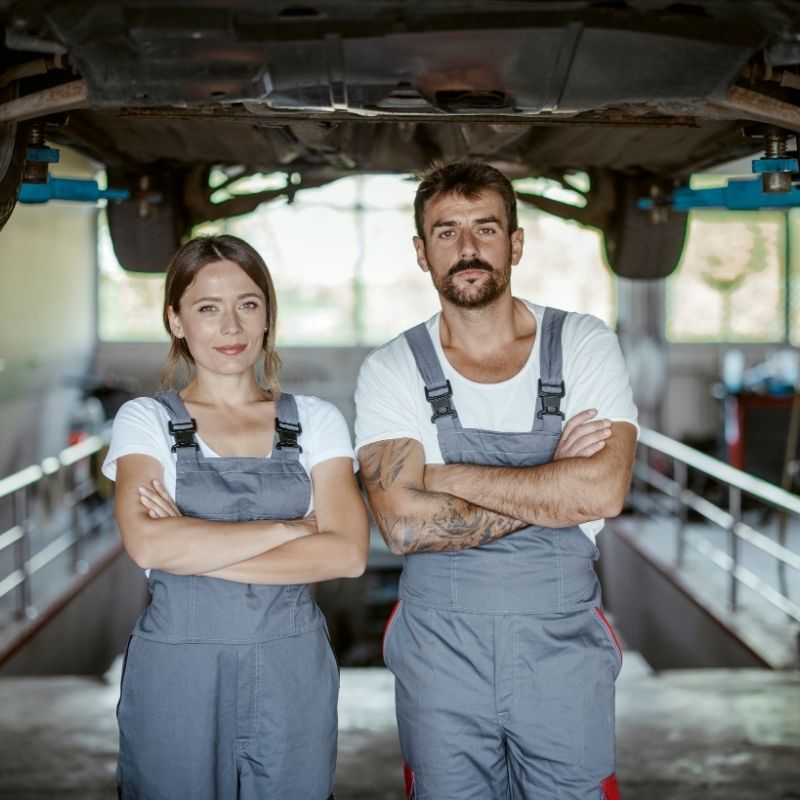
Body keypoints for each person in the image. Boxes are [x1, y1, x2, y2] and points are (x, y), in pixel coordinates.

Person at [354, 161, 638, 800]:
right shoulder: (393, 368)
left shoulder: (585, 344)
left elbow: (601, 493)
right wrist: (550, 482)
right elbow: (403, 524)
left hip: (562, 646)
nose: (468, 249)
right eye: (447, 232)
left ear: (515, 242)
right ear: (422, 252)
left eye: (486, 228)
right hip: (440, 655)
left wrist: (444, 476)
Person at [102, 234, 369, 800]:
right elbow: (148, 546)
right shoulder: (145, 420)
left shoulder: (315, 420)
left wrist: (195, 547)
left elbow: (346, 553)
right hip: (177, 674)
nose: (231, 327)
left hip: (291, 671)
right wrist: (290, 529)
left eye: (248, 304)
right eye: (207, 308)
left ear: (268, 315)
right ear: (176, 320)